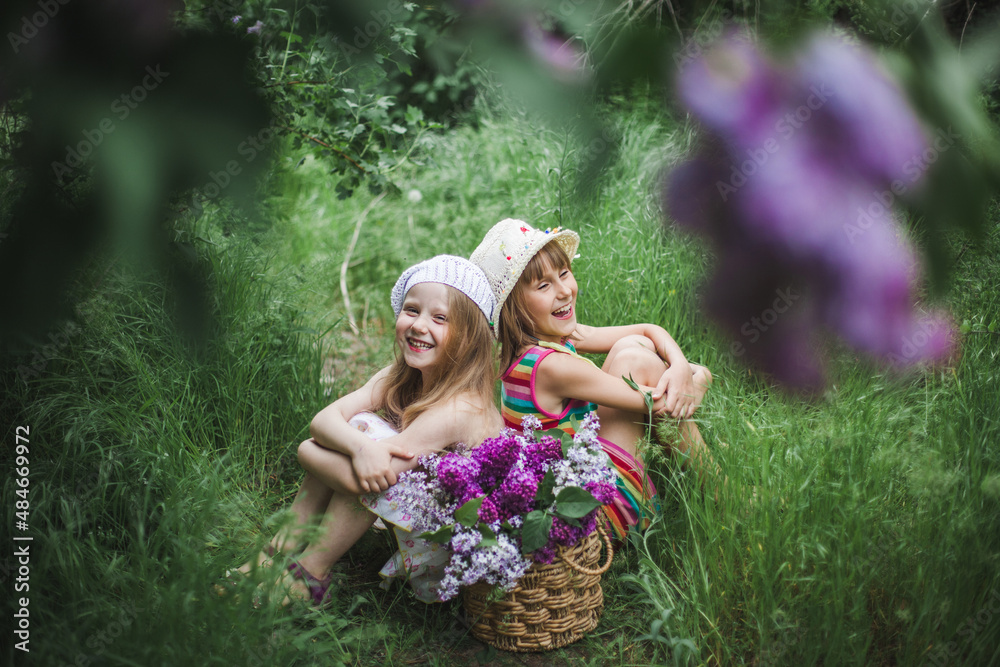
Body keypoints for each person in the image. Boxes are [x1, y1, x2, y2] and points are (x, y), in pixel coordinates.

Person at [224, 255, 502, 605]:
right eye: (412, 310)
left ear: (469, 338)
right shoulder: (399, 376)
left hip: (456, 549)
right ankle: (280, 546)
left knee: (370, 443)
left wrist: (309, 451)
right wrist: (358, 448)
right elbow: (325, 420)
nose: (419, 325)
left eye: (440, 318)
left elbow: (369, 483)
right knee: (364, 435)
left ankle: (310, 573)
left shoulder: (461, 408)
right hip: (415, 513)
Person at [470, 219, 713, 541]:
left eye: (564, 274)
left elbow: (646, 330)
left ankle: (705, 473)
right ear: (513, 309)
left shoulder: (536, 344)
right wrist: (701, 379)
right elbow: (662, 404)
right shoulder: (551, 367)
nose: (564, 291)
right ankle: (720, 487)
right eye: (543, 286)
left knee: (632, 347)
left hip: (575, 483)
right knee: (635, 360)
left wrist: (681, 365)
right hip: (592, 513)